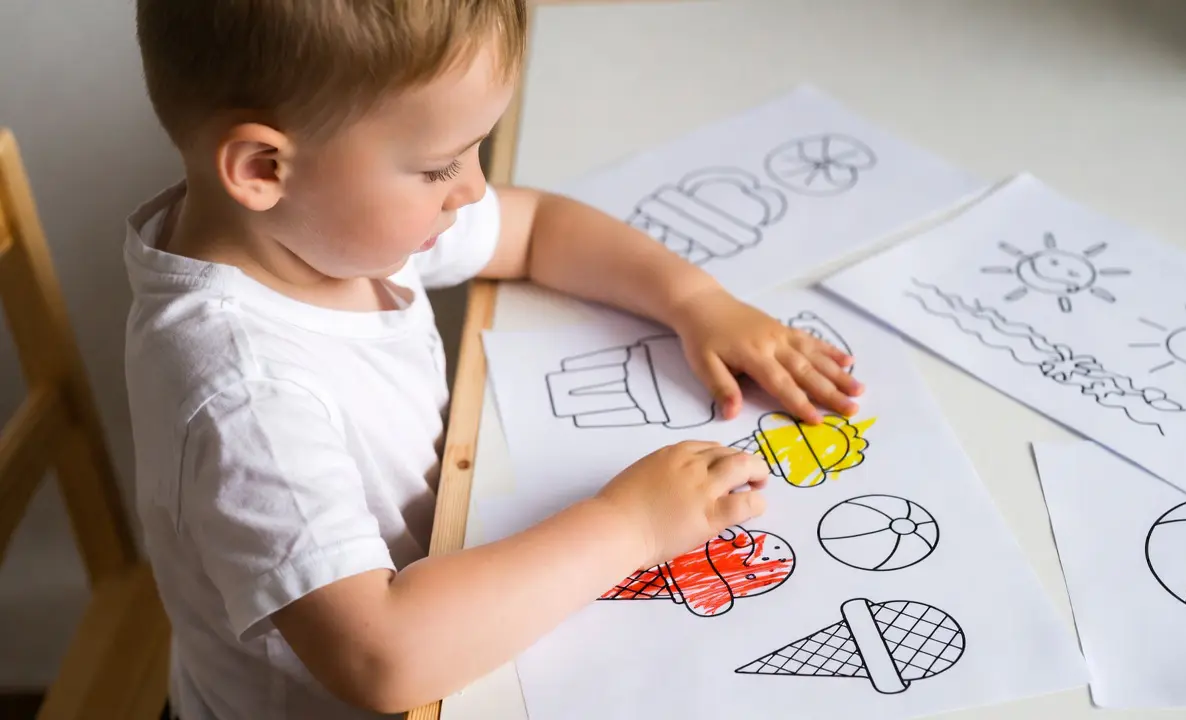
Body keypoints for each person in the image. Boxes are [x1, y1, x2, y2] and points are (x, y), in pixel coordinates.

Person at [124, 1, 864, 717]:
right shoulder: (244, 394)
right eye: (441, 165)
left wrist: (695, 300)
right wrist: (630, 527)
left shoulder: (322, 223)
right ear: (262, 168)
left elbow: (536, 226)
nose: (472, 189)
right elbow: (384, 657)